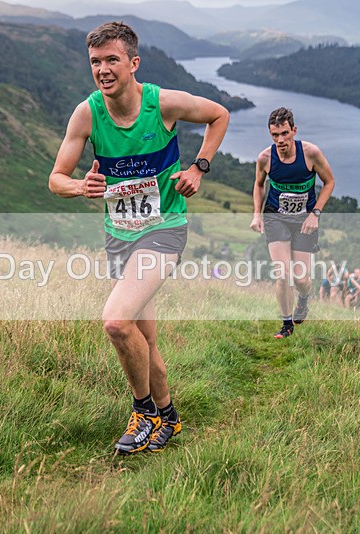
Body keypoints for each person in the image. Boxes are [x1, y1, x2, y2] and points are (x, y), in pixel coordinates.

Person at [48, 21, 229, 454]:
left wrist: (198, 168)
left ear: (133, 62)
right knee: (142, 339)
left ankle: (143, 411)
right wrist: (80, 187)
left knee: (115, 321)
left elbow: (220, 115)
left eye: (112, 60)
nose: (103, 70)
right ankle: (169, 418)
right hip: (120, 237)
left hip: (164, 230)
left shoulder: (163, 104)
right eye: (96, 62)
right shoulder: (87, 113)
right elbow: (56, 178)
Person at [250, 107, 335, 338]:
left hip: (304, 221)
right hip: (275, 216)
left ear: (294, 130)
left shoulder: (311, 153)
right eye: (275, 135)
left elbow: (329, 182)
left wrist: (315, 214)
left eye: (285, 133)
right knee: (283, 273)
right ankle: (286, 324)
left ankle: (304, 298)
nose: (280, 140)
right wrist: (257, 214)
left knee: (301, 279)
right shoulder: (265, 158)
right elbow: (259, 185)